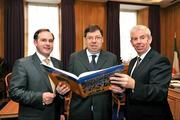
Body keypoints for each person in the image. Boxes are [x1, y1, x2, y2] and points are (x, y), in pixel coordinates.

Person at [109, 25, 173, 120]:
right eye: (135, 39)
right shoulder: (133, 61)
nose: (138, 42)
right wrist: (121, 92)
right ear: (131, 43)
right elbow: (131, 92)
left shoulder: (160, 60)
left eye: (142, 38)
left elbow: (160, 93)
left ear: (149, 39)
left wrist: (134, 84)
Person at [9, 29, 70, 120]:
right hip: (34, 117)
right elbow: (14, 92)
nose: (48, 43)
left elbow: (59, 91)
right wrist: (40, 97)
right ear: (35, 42)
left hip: (55, 116)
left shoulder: (58, 64)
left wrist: (61, 110)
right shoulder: (22, 64)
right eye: (43, 40)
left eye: (50, 41)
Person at [68, 24, 118, 120]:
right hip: (79, 110)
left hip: (103, 110)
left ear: (102, 39)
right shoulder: (74, 57)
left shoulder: (112, 58)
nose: (94, 41)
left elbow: (116, 83)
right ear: (85, 40)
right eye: (90, 38)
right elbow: (70, 82)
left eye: (97, 37)